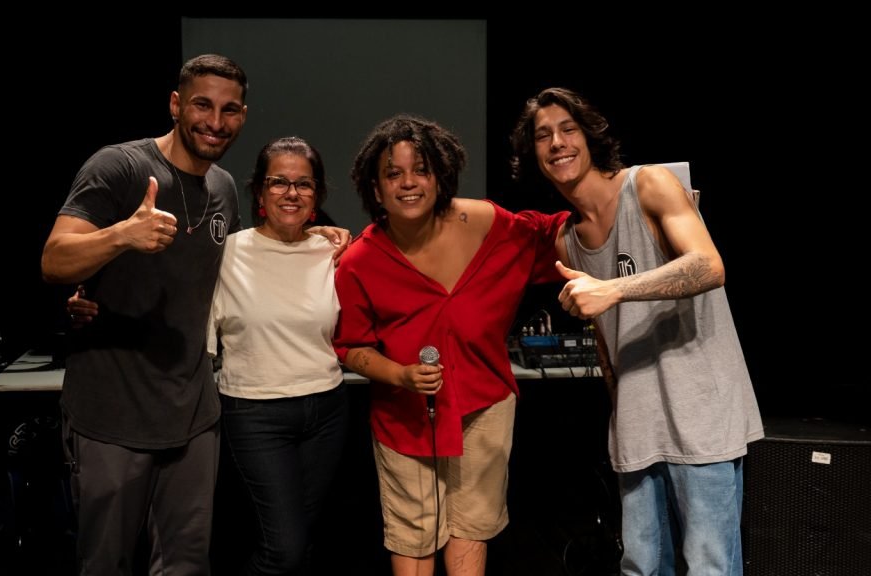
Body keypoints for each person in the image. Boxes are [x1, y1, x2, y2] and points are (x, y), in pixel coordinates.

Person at [509, 87, 764, 576]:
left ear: (589, 136)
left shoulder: (649, 184)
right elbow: (608, 341)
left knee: (710, 565)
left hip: (702, 412)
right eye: (543, 136)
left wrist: (615, 289)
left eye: (567, 129)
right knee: (641, 566)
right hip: (637, 422)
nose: (557, 143)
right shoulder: (569, 237)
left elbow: (709, 266)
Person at [40, 53, 250, 575]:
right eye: (202, 104)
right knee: (106, 562)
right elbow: (53, 260)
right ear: (176, 104)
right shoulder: (121, 166)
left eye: (230, 109)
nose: (215, 121)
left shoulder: (223, 187)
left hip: (193, 412)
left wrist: (318, 238)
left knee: (185, 565)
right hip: (112, 411)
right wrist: (121, 236)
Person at [333, 114, 569, 576]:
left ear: (440, 176)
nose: (408, 183)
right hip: (405, 417)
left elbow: (554, 236)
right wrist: (399, 375)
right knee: (413, 532)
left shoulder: (486, 223)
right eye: (393, 173)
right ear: (375, 190)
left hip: (485, 403)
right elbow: (351, 347)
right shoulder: (360, 260)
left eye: (420, 169)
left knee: (471, 529)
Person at [205, 136, 348, 575]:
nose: (291, 193)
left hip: (326, 410)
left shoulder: (337, 253)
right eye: (278, 182)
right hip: (255, 414)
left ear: (318, 195)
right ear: (260, 193)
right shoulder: (226, 253)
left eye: (304, 184)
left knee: (303, 545)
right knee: (283, 549)